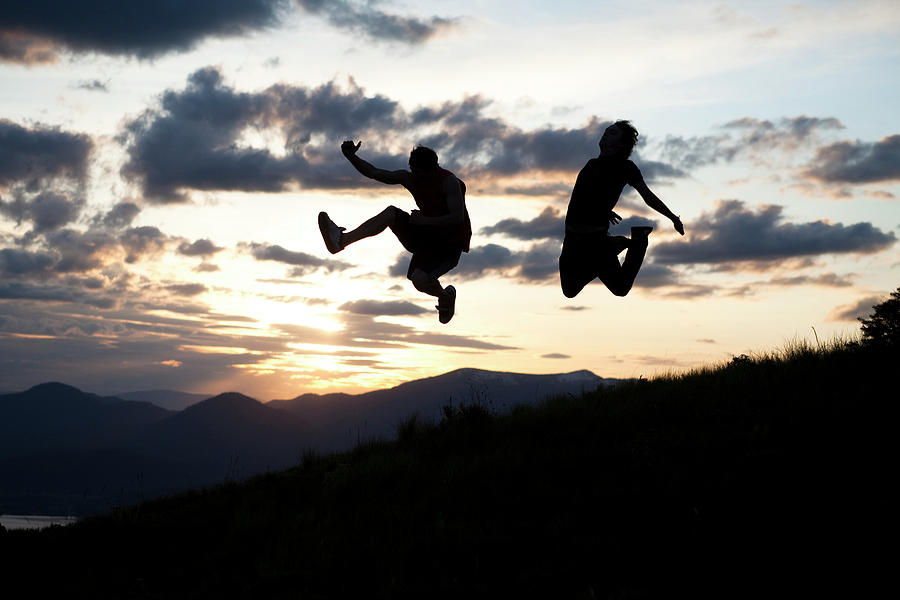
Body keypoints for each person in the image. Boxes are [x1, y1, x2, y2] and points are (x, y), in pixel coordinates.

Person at [319, 141, 471, 324]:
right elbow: (374, 173)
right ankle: (341, 241)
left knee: (419, 280)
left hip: (448, 245)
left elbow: (457, 218)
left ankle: (445, 297)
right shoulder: (410, 178)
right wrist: (351, 156)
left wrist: (424, 220)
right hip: (426, 235)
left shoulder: (449, 182)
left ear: (434, 169)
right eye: (414, 172)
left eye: (421, 174)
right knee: (391, 213)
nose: (417, 179)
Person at [559, 120, 684, 298]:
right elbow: (583, 196)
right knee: (570, 291)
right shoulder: (591, 165)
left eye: (612, 133)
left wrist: (673, 217)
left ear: (621, 144)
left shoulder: (626, 168)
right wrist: (603, 209)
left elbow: (648, 196)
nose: (606, 133)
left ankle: (637, 243)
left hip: (594, 239)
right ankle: (615, 247)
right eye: (607, 130)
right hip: (573, 239)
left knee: (620, 288)